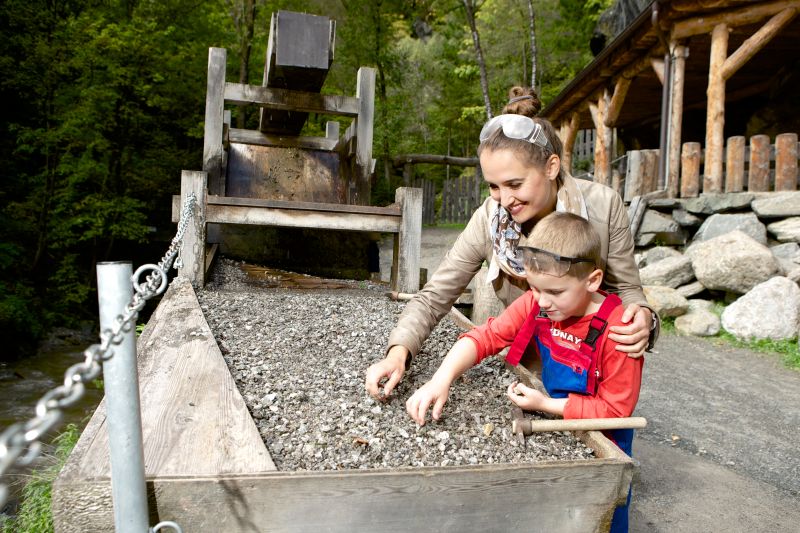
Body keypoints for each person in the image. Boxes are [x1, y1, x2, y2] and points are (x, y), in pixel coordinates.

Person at [365, 112, 658, 400]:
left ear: (551, 167)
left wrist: (643, 317)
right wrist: (398, 351)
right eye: (494, 186)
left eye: (515, 185)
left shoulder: (604, 207)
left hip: (593, 373)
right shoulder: (488, 218)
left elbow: (628, 289)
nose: (504, 200)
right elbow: (435, 296)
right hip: (527, 366)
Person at [406, 211, 642, 532]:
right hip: (561, 422)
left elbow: (614, 411)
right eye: (535, 288)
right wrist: (441, 379)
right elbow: (485, 336)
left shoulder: (619, 331)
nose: (543, 302)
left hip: (604, 435)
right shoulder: (539, 301)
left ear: (593, 281)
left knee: (601, 513)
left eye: (555, 292)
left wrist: (544, 405)